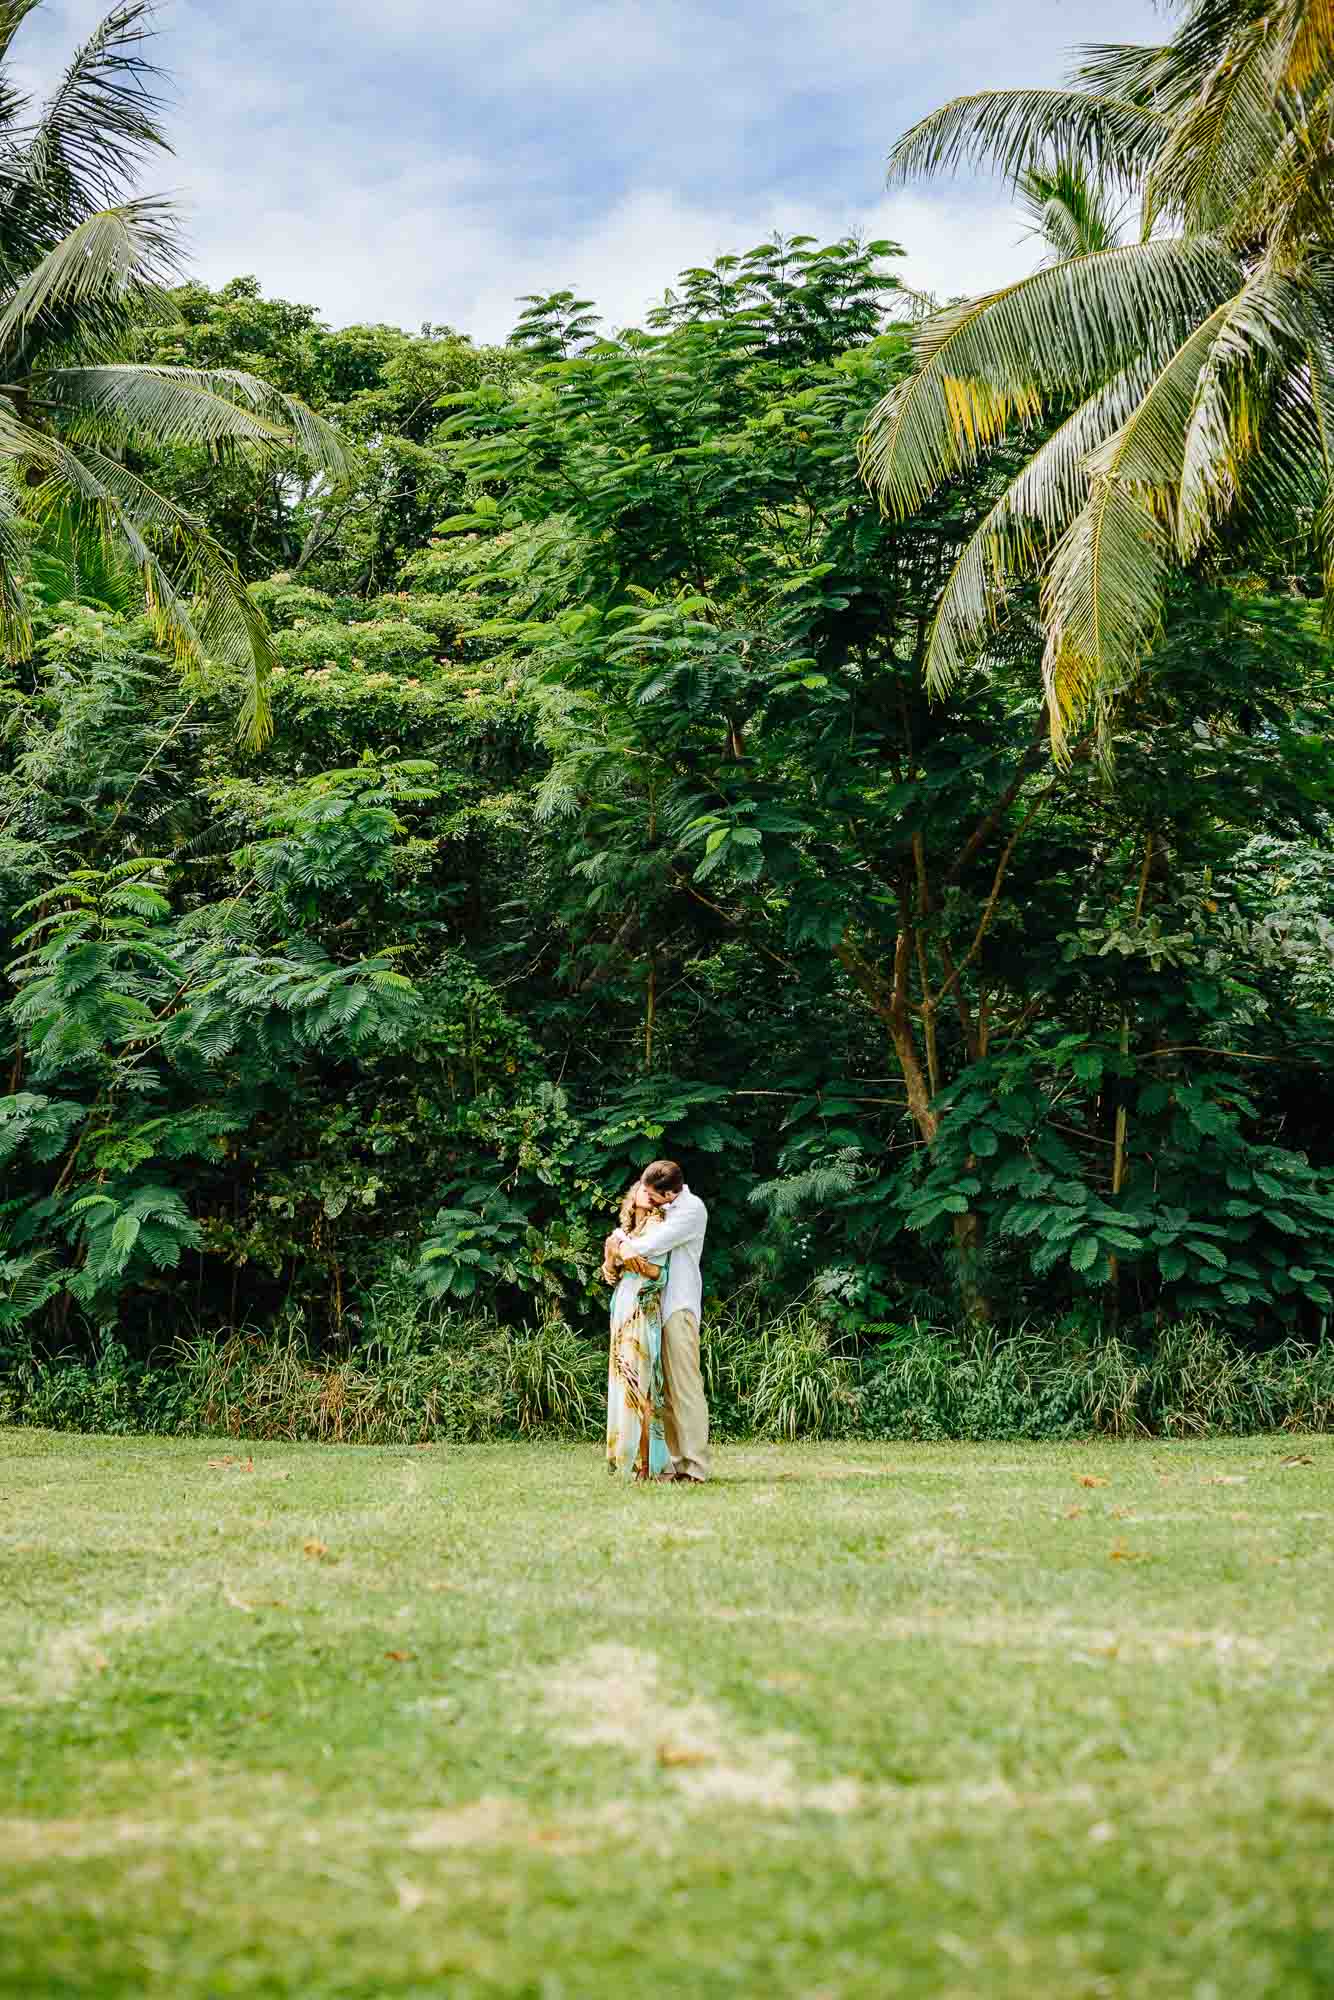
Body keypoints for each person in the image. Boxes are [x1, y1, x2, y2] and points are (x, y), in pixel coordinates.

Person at [603, 1160, 709, 1484]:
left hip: (678, 1307)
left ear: (668, 1193)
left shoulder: (690, 1211)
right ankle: (674, 1464)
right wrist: (619, 1245)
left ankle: (695, 1467)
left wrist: (616, 1244)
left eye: (651, 1193)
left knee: (685, 1388)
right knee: (663, 1391)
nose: (644, 1196)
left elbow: (648, 1247)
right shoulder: (666, 1210)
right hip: (655, 1311)